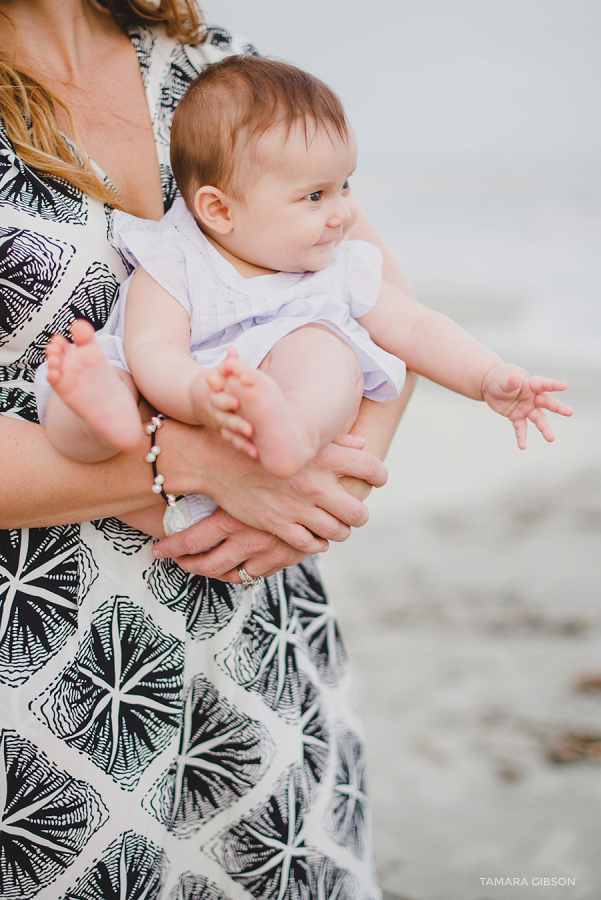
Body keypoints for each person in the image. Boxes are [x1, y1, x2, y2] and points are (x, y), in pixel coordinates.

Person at [0, 2, 416, 898]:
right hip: (45, 692)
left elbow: (376, 305)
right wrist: (188, 462)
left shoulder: (213, 66)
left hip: (259, 643)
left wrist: (323, 491)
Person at [37, 56, 571, 536]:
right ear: (219, 210)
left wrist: (487, 376)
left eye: (346, 186)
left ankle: (294, 427)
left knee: (322, 349)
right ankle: (97, 417)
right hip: (162, 438)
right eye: (315, 196)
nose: (343, 213)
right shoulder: (173, 257)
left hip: (253, 461)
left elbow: (414, 328)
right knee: (107, 376)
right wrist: (202, 397)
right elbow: (154, 349)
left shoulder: (334, 267)